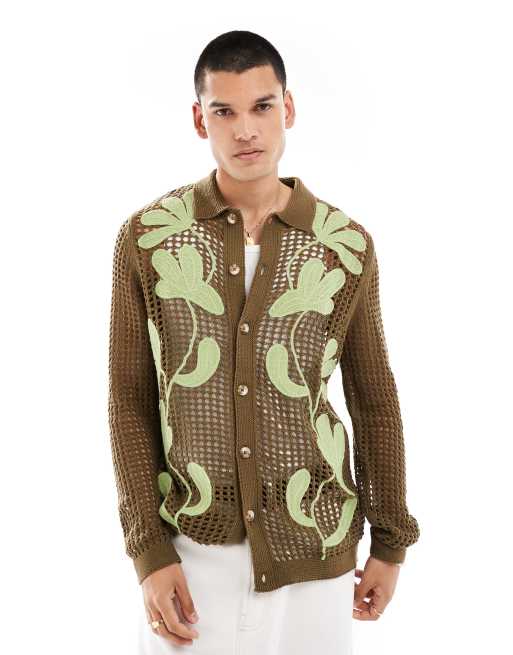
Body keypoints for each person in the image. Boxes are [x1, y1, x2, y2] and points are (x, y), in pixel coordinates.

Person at [107, 30, 420, 654]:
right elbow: (129, 400)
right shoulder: (148, 238)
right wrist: (149, 552)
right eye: (224, 111)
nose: (245, 130)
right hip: (193, 551)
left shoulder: (343, 246)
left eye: (262, 106)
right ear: (200, 119)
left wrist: (389, 543)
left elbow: (373, 399)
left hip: (317, 547)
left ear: (288, 108)